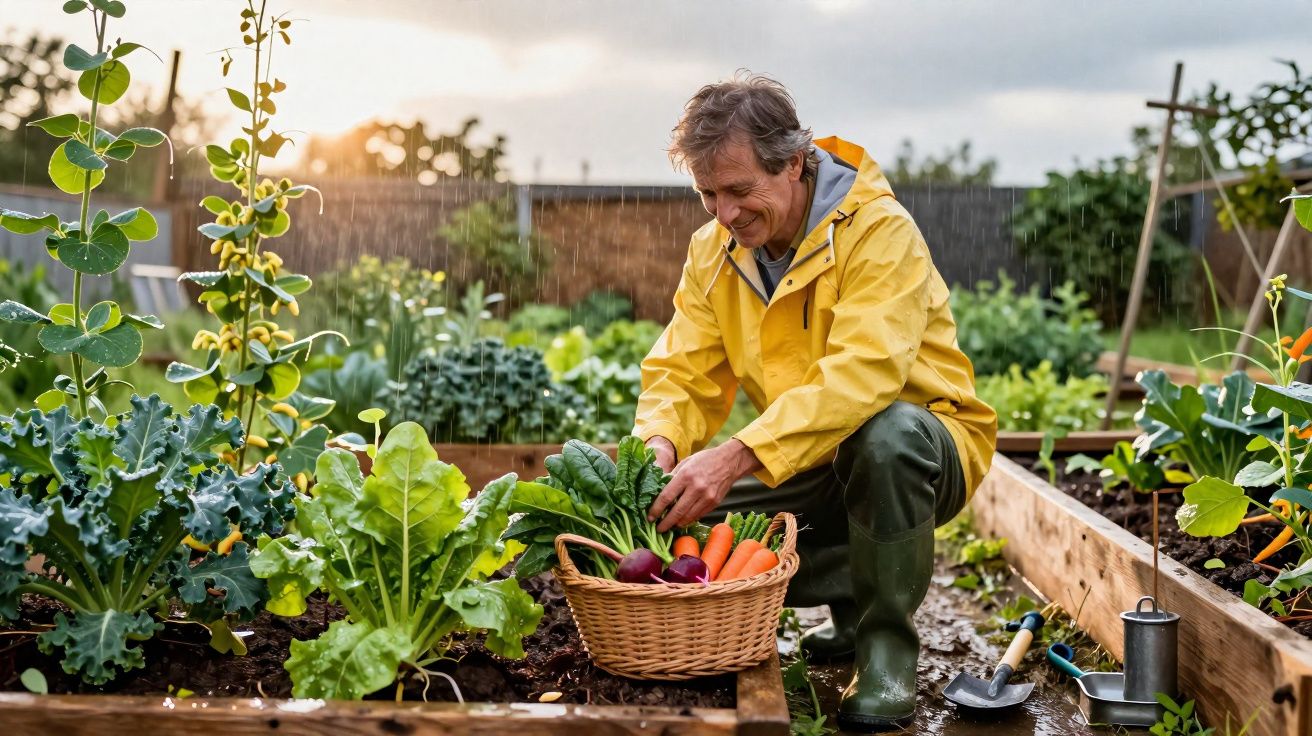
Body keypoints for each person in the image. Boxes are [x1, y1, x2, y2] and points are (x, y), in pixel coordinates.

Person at [633, 73, 997, 732]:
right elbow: (682, 372)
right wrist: (662, 443)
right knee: (677, 528)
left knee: (883, 440)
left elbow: (864, 376)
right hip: (810, 453)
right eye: (708, 194)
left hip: (924, 447)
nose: (724, 214)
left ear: (794, 162)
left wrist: (738, 453)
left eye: (740, 192)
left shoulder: (876, 232)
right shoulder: (714, 253)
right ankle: (852, 602)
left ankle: (885, 646)